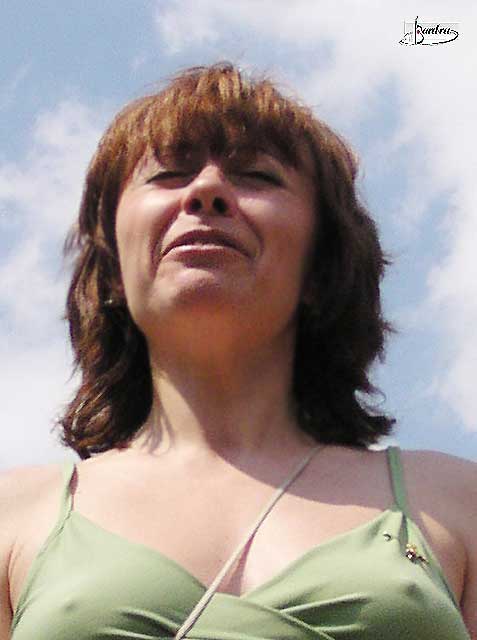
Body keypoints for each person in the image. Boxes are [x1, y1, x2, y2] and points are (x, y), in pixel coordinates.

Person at [1, 63, 475, 639]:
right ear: (115, 271)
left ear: (323, 266)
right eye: (169, 174)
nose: (205, 191)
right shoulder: (13, 516)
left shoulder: (454, 501)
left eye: (257, 175)